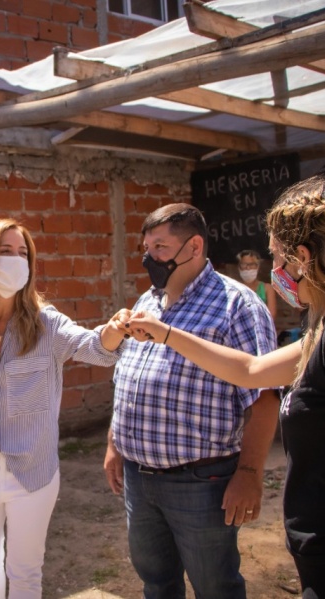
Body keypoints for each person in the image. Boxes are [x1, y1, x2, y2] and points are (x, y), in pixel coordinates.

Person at [122, 177, 325, 599]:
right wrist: (166, 333)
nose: (273, 271)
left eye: (276, 258)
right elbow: (250, 369)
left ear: (301, 258)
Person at [0, 218, 126, 599]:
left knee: (24, 570)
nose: (16, 261)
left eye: (23, 253)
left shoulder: (47, 324)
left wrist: (115, 328)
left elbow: (94, 349)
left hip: (33, 471)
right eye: (5, 252)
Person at [103, 203, 279, 599]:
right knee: (156, 583)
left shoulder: (238, 306)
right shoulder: (147, 302)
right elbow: (129, 378)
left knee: (215, 587)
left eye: (161, 247)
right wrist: (115, 444)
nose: (151, 257)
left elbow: (264, 398)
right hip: (139, 479)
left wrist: (249, 473)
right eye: (147, 248)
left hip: (202, 481)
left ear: (195, 246)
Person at [236, 249, 278, 320]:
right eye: (244, 264)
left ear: (258, 267)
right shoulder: (235, 288)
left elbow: (271, 314)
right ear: (239, 267)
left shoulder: (267, 288)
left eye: (251, 264)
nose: (248, 268)